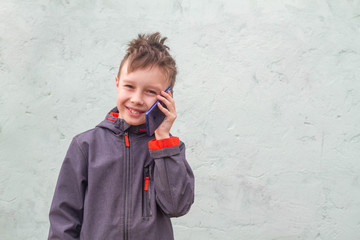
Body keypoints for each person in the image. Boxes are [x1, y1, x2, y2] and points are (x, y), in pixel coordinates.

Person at [48, 32, 195, 240]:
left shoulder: (170, 149)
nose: (136, 99)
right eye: (129, 86)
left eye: (150, 91)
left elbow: (176, 206)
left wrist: (162, 139)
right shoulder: (85, 146)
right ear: (117, 83)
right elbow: (64, 218)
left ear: (166, 97)